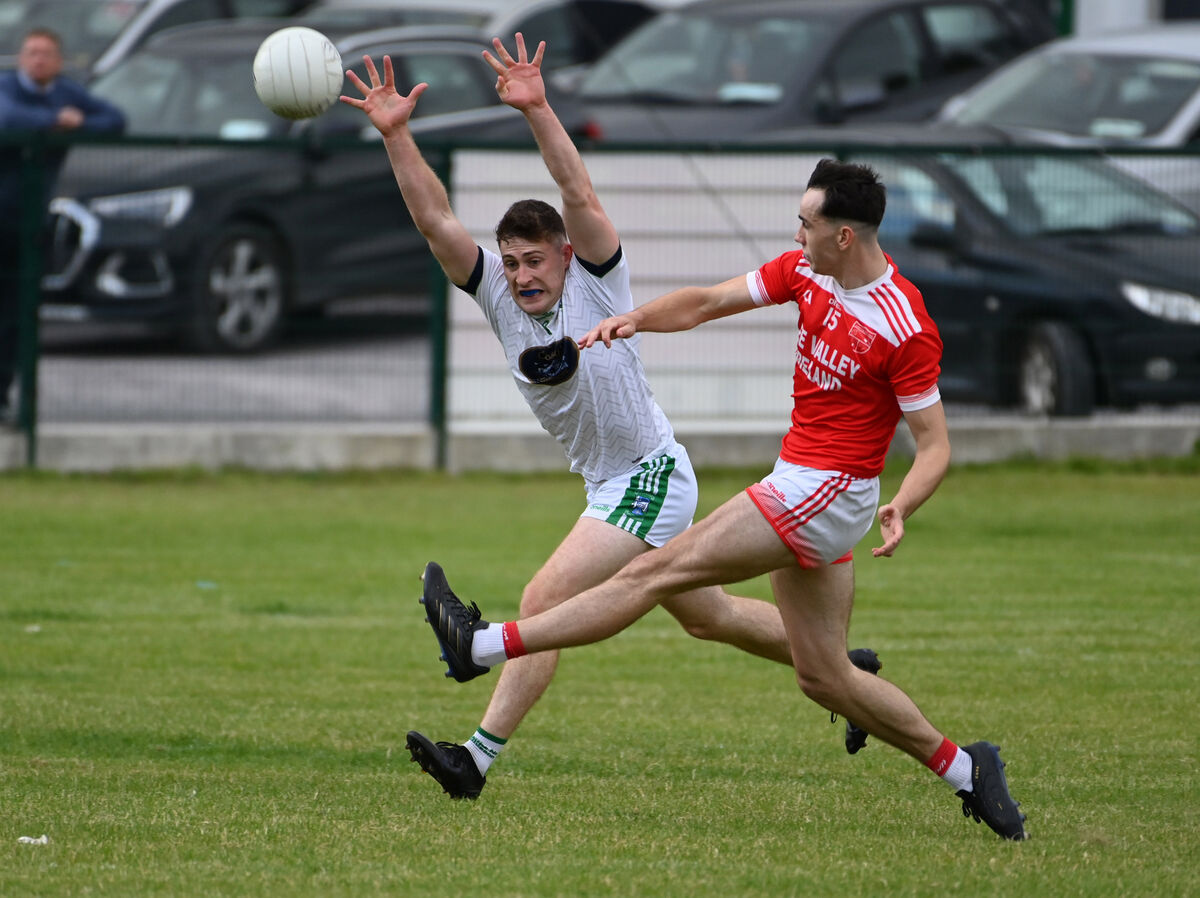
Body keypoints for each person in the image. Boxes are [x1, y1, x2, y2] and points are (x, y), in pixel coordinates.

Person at [418, 156, 1029, 841]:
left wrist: (902, 504)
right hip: (798, 482)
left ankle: (483, 646)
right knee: (823, 677)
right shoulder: (805, 272)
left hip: (824, 495)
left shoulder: (903, 322)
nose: (796, 232)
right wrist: (635, 318)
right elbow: (707, 302)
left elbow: (935, 443)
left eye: (806, 222)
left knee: (653, 571)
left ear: (844, 235)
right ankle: (968, 770)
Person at [341, 35, 884, 801]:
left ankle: (474, 760)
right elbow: (435, 221)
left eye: (536, 259)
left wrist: (536, 108)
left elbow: (578, 190)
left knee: (543, 601)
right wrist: (397, 134)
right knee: (709, 617)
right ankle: (849, 671)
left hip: (651, 474)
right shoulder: (496, 294)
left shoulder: (596, 278)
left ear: (565, 256)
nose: (522, 274)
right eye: (512, 261)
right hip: (608, 483)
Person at [0, 27, 125, 419]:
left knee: (18, 314)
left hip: (30, 223)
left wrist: (75, 123)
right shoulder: (7, 88)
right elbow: (7, 118)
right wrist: (55, 120)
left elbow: (114, 119)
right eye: (32, 53)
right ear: (21, 58)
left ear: (58, 60)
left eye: (46, 54)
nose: (38, 60)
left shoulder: (67, 92)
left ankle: (6, 395)